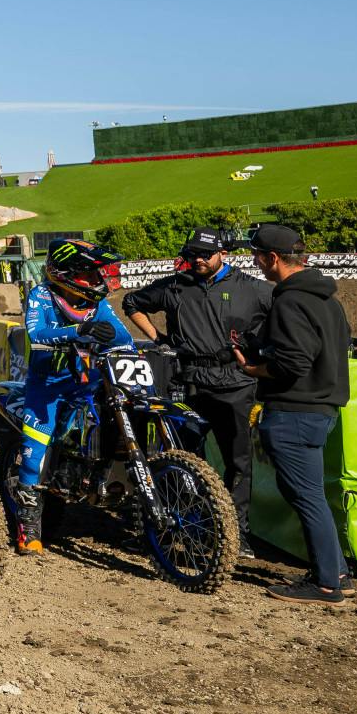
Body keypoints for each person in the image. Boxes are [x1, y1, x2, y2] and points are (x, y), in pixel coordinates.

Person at [123, 229, 271, 551]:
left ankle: (236, 534)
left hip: (236, 385)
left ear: (224, 253)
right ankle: (184, 525)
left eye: (205, 253)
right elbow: (131, 301)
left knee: (239, 462)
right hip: (187, 383)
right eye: (192, 254)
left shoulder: (255, 289)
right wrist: (159, 339)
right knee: (182, 459)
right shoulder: (176, 285)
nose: (198, 260)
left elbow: (283, 322)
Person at [236, 225, 355, 604]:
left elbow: (292, 362)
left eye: (257, 255)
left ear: (273, 258)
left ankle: (325, 584)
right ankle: (335, 573)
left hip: (294, 411)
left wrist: (253, 369)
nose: (255, 262)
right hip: (320, 408)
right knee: (312, 494)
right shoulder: (327, 299)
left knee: (306, 496)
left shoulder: (289, 301)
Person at [11, 238, 136, 556]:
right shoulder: (42, 295)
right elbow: (35, 332)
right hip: (47, 389)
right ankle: (29, 529)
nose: (99, 280)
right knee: (32, 455)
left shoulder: (98, 305)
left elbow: (123, 338)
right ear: (67, 273)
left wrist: (129, 350)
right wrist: (79, 332)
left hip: (89, 385)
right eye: (91, 274)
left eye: (99, 274)